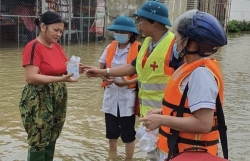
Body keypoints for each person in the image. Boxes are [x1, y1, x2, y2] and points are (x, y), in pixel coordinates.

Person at [86, 1, 183, 160]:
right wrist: (103, 72)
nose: (139, 25)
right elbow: (132, 67)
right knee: (152, 151)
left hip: (167, 111)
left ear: (154, 22)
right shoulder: (147, 43)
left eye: (141, 20)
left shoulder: (174, 45)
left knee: (167, 152)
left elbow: (184, 77)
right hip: (148, 111)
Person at [139, 9, 228, 161]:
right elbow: (186, 107)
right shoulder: (188, 68)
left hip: (190, 153)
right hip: (176, 151)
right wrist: (164, 112)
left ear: (190, 42)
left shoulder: (201, 75)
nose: (175, 41)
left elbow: (203, 124)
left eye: (178, 37)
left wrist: (162, 120)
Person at [19, 11, 83, 161]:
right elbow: (31, 77)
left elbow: (63, 65)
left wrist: (76, 67)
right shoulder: (33, 46)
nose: (59, 34)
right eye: (56, 30)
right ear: (43, 26)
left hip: (58, 94)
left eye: (61, 31)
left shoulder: (56, 47)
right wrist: (60, 80)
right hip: (39, 97)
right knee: (38, 137)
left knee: (53, 133)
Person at [99, 15, 140, 160]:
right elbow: (102, 67)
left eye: (124, 32)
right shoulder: (110, 47)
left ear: (131, 34)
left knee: (128, 133)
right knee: (111, 130)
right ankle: (113, 155)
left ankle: (128, 159)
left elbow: (143, 75)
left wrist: (128, 82)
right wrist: (105, 77)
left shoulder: (139, 48)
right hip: (111, 94)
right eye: (118, 31)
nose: (120, 34)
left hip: (127, 95)